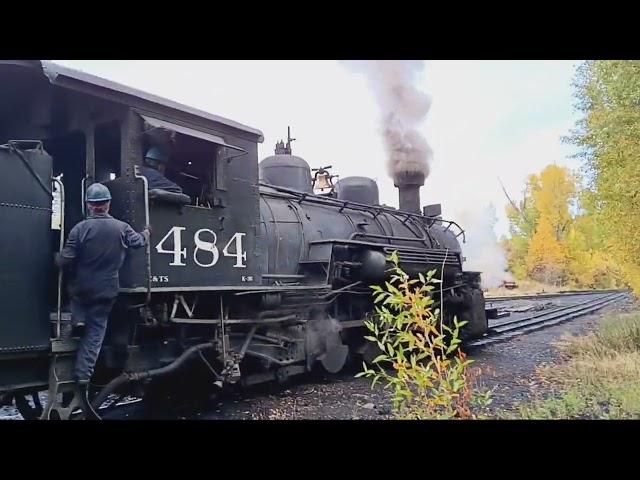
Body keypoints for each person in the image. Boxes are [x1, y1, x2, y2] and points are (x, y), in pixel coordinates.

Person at [56, 183, 150, 419]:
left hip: (82, 288)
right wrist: (148, 232)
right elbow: (139, 242)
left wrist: (55, 258)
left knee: (74, 296)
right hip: (106, 290)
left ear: (89, 205)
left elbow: (66, 259)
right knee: (95, 337)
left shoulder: (80, 228)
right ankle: (83, 378)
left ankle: (77, 320)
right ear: (107, 204)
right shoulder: (121, 228)